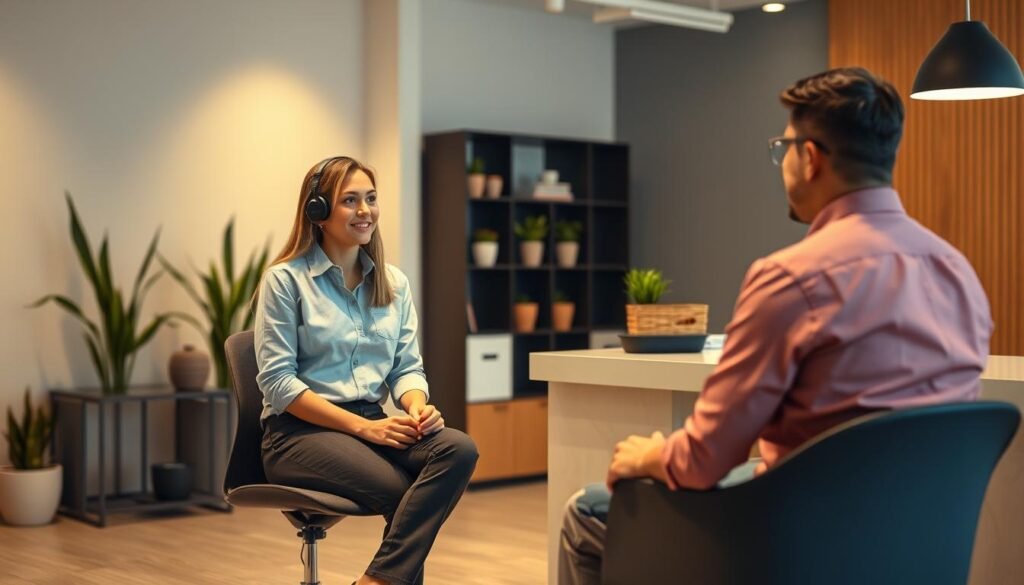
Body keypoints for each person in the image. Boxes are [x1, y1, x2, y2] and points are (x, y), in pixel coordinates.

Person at [558, 67, 993, 585]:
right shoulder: (957, 272)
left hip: (794, 550)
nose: (781, 162)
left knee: (584, 513)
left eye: (783, 148)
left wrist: (648, 454)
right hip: (924, 549)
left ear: (809, 159)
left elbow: (704, 460)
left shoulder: (791, 280)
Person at [254, 156, 479, 585]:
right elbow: (279, 384)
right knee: (402, 495)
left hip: (372, 423)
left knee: (458, 448)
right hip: (297, 434)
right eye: (350, 200)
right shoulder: (285, 281)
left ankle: (374, 582)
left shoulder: (393, 283)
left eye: (371, 199)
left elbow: (406, 368)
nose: (365, 211)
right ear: (317, 212)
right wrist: (362, 428)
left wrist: (416, 407)